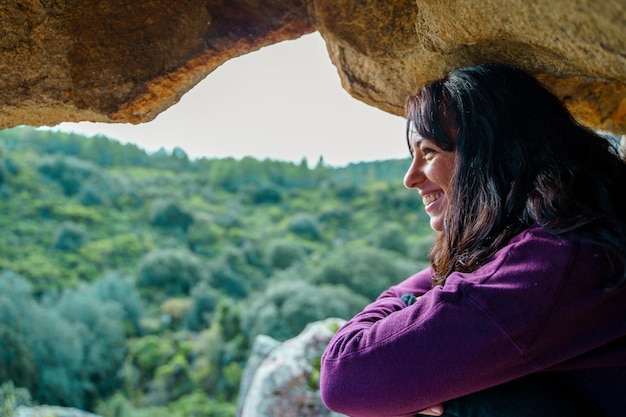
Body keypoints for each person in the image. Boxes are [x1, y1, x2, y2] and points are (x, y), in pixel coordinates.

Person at [319, 64, 626, 417]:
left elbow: (343, 375)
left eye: (430, 151)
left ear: (492, 156)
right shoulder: (575, 234)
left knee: (462, 389)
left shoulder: (552, 262)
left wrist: (409, 377)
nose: (410, 178)